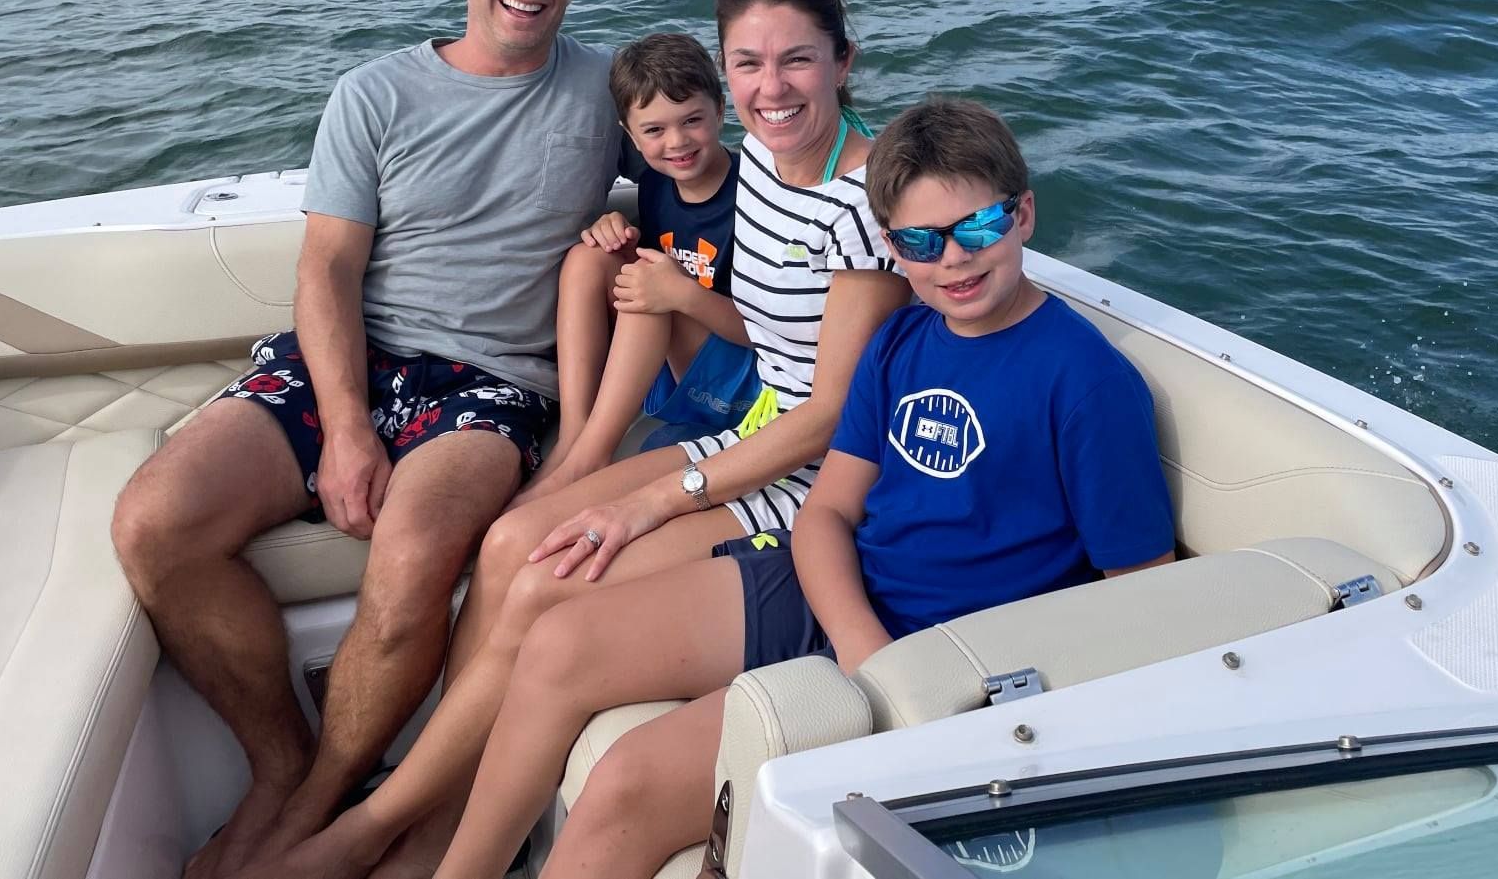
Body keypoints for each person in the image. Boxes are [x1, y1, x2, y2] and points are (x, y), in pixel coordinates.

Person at [244, 0, 911, 879]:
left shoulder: (864, 201)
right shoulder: (760, 153)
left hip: (815, 471)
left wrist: (654, 500)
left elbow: (832, 415)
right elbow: (748, 321)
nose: (771, 88)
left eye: (796, 61)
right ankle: (439, 808)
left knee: (555, 573)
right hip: (752, 428)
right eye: (748, 65)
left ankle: (399, 837)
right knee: (514, 537)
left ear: (843, 61)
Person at [439, 96, 1176, 878]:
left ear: (1023, 214)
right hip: (838, 590)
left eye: (980, 228)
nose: (954, 259)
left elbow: (1138, 597)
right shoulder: (899, 339)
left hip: (944, 647)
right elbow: (826, 512)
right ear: (891, 246)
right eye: (923, 241)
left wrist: (907, 678)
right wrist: (858, 638)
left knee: (628, 777)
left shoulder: (1086, 380)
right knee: (560, 640)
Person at [109, 0, 635, 879]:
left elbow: (708, 169)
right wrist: (346, 426)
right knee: (154, 520)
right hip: (346, 356)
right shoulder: (375, 93)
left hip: (492, 383)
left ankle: (314, 809)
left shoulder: (603, 90)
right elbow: (329, 267)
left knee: (411, 558)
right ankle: (280, 762)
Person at [531, 32, 760, 505]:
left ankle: (590, 459)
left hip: (739, 386)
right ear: (629, 134)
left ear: (720, 109)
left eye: (692, 120)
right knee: (587, 258)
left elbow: (765, 330)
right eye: (654, 130)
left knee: (647, 291)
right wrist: (616, 231)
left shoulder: (753, 197)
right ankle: (575, 437)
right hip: (677, 367)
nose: (676, 142)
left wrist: (681, 295)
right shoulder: (655, 185)